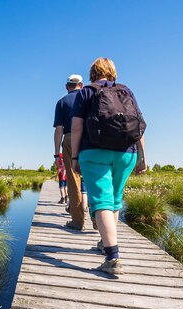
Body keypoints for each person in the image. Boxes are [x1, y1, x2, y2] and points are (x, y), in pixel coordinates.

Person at [70, 58, 147, 275]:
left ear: (92, 73)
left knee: (102, 200)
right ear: (113, 72)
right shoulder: (126, 91)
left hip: (93, 151)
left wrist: (74, 157)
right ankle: (105, 243)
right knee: (114, 198)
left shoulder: (86, 92)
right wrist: (142, 157)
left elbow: (77, 127)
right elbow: (140, 125)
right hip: (126, 152)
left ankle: (113, 257)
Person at [53, 74, 87, 230]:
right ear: (82, 85)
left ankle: (78, 221)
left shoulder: (61, 102)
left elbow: (59, 130)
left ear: (67, 87)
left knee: (73, 180)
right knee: (92, 177)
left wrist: (56, 154)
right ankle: (97, 220)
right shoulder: (89, 98)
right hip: (89, 138)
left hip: (69, 138)